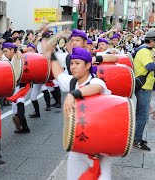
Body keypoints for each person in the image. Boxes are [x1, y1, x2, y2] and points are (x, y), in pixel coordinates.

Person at [43, 45, 112, 180]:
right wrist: (50, 53)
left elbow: (97, 88)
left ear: (87, 65)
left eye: (77, 63)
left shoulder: (95, 80)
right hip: (78, 145)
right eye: (71, 63)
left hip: (98, 147)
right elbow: (58, 73)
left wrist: (73, 94)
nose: (73, 67)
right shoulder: (72, 82)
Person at [133, 29, 155, 151]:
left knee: (140, 114)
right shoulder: (145, 51)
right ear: (152, 41)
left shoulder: (149, 50)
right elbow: (150, 66)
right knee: (143, 115)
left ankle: (136, 137)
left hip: (146, 86)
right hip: (144, 87)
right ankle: (137, 140)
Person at [2, 42, 30, 133]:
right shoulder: (10, 59)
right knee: (15, 109)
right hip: (16, 86)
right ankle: (21, 124)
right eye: (4, 51)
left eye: (6, 51)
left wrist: (18, 50)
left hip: (23, 85)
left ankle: (25, 127)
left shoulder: (17, 57)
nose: (5, 53)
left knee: (19, 103)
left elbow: (28, 49)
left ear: (12, 50)